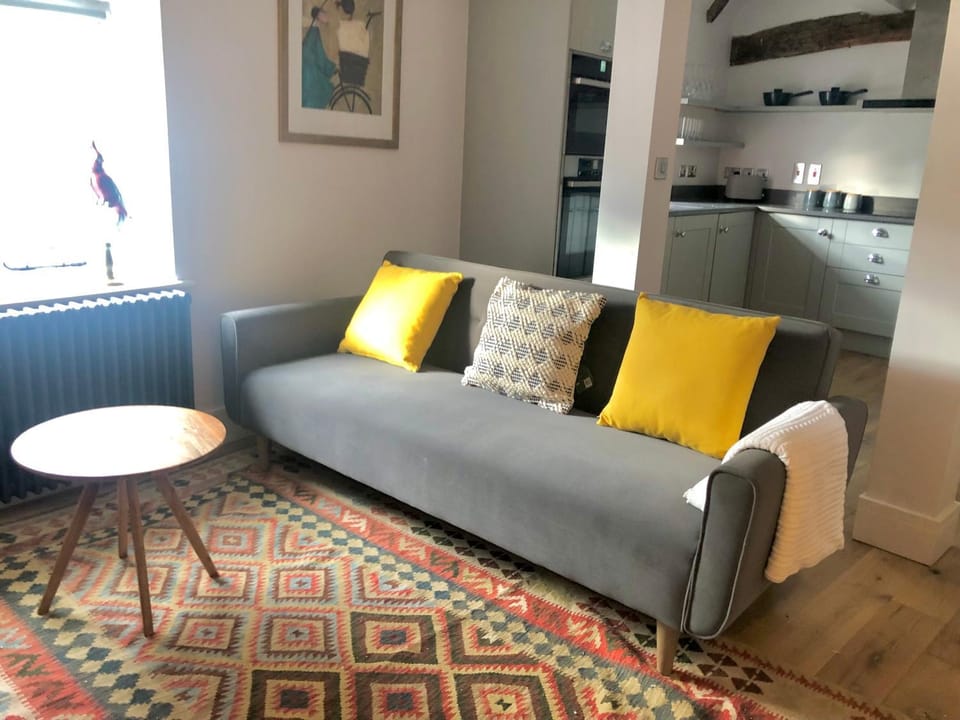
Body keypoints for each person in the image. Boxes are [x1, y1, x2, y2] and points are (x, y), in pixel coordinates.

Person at [301, 5, 337, 109]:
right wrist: (329, 66)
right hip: (309, 68)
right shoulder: (315, 30)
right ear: (318, 16)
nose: (326, 17)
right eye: (323, 14)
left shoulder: (317, 29)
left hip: (310, 64)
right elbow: (316, 52)